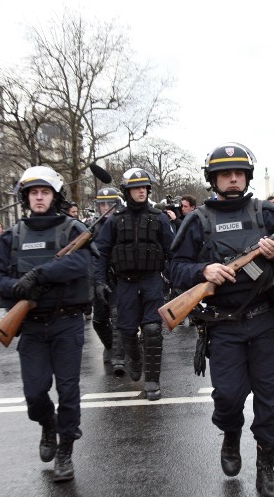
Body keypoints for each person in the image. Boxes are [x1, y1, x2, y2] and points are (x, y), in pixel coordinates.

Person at [170, 142, 274, 497]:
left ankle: (265, 463)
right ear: (213, 179)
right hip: (222, 325)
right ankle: (230, 434)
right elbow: (175, 268)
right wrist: (204, 270)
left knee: (269, 396)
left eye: (238, 173)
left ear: (247, 177)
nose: (232, 179)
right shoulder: (197, 220)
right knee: (228, 397)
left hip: (268, 323)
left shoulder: (268, 214)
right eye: (225, 174)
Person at [0, 165, 93, 482]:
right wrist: (16, 288)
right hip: (30, 326)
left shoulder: (74, 230)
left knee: (69, 391)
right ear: (25, 197)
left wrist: (41, 274)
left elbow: (82, 262)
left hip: (67, 323)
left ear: (55, 196)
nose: (40, 197)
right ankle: (47, 423)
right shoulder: (12, 236)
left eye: (45, 192)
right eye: (34, 192)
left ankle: (65, 451)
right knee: (35, 393)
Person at [93, 168, 175, 401]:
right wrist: (99, 281)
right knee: (127, 331)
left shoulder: (159, 218)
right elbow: (102, 253)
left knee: (152, 330)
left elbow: (172, 252)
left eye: (144, 187)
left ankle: (152, 382)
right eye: (135, 188)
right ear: (127, 191)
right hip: (125, 284)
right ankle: (135, 358)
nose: (141, 191)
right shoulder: (115, 220)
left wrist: (174, 281)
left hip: (151, 281)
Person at [89, 187, 126, 376]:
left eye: (109, 204)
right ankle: (110, 344)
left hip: (118, 279)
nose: (105, 208)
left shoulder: (122, 223)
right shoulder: (89, 227)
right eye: (101, 204)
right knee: (98, 320)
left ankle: (119, 358)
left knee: (117, 317)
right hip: (97, 279)